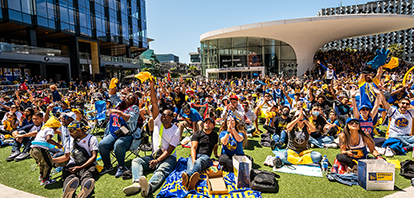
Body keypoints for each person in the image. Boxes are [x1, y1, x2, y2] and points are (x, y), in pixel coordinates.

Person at [123, 78, 180, 197]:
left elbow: (169, 151)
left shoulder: (176, 131)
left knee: (160, 171)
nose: (163, 116)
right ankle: (137, 183)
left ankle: (149, 187)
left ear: (172, 118)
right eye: (162, 114)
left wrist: (158, 160)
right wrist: (152, 85)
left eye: (166, 115)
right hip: (155, 154)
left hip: (168, 157)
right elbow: (154, 103)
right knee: (136, 161)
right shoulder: (158, 121)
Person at [98, 78, 141, 178]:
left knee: (119, 144)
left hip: (128, 134)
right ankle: (108, 166)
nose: (128, 96)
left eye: (131, 96)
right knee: (102, 144)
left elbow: (130, 119)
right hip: (114, 132)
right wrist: (112, 85)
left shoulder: (134, 108)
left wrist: (118, 112)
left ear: (134, 100)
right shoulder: (119, 104)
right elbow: (112, 95)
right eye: (127, 95)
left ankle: (121, 166)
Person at [55, 122, 98, 198]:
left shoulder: (92, 139)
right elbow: (66, 156)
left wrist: (80, 167)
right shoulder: (70, 140)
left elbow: (94, 157)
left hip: (87, 163)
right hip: (73, 163)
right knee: (69, 176)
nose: (70, 134)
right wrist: (51, 160)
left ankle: (84, 190)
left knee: (87, 174)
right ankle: (67, 192)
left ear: (79, 130)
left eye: (71, 132)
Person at [182, 117, 218, 191]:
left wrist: (216, 154)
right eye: (206, 122)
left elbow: (215, 145)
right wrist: (193, 159)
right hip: (194, 155)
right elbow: (193, 148)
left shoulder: (215, 135)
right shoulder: (197, 133)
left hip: (205, 157)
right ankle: (190, 183)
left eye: (209, 123)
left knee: (199, 162)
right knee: (191, 168)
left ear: (213, 126)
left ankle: (187, 177)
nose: (207, 124)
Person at [30, 117, 62, 185]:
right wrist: (57, 144)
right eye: (56, 127)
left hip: (33, 149)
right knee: (48, 164)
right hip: (41, 149)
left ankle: (42, 176)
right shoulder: (50, 129)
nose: (56, 129)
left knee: (42, 164)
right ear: (53, 125)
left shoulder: (43, 129)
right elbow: (48, 139)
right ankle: (45, 180)